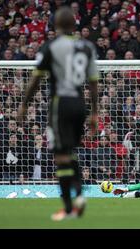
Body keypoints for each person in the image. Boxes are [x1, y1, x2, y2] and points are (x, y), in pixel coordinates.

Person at [17, 7, 99, 221]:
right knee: (69, 152)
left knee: (60, 156)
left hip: (60, 104)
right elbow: (93, 83)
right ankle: (79, 197)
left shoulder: (51, 46)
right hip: (80, 105)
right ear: (74, 25)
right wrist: (94, 113)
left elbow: (36, 79)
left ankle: (70, 206)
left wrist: (24, 105)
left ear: (55, 26)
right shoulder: (87, 47)